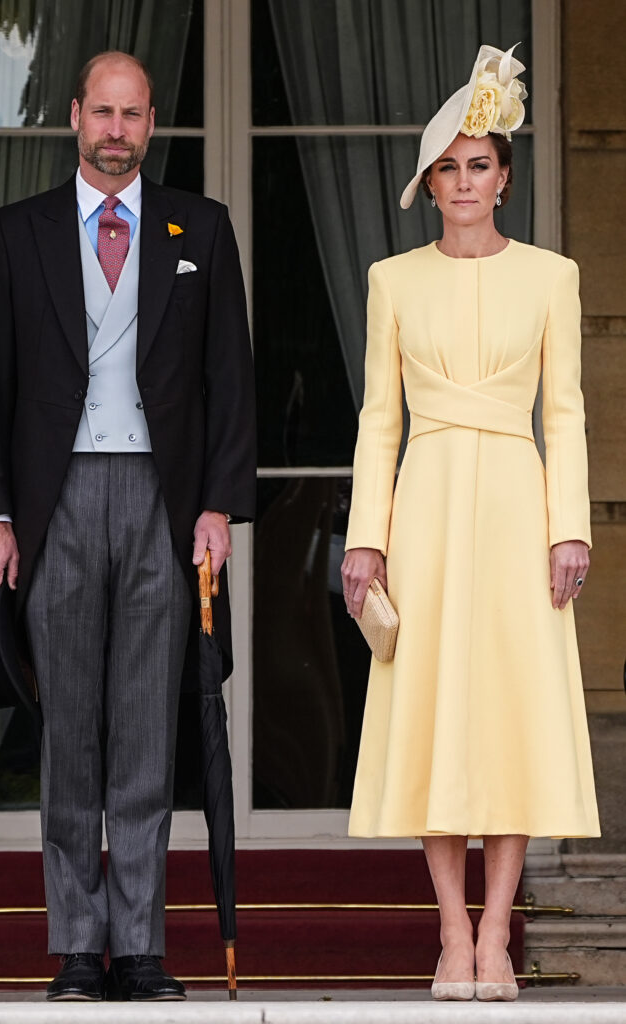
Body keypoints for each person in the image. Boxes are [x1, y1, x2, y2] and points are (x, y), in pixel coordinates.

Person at [0, 51, 255, 1002]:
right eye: (103, 112)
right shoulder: (19, 233)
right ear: (75, 117)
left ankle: (139, 946)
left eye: (133, 115)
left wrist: (216, 503)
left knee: (143, 731)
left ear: (152, 119)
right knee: (69, 737)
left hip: (161, 504)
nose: (118, 130)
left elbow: (229, 382)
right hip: (55, 505)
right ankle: (79, 948)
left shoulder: (199, 228)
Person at [341, 44, 599, 1003]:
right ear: (429, 180)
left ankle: (498, 934)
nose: (463, 181)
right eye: (446, 165)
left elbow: (566, 410)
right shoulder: (390, 280)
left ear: (503, 176)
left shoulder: (553, 276)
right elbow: (377, 420)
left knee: (511, 713)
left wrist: (568, 526)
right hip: (427, 504)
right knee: (434, 715)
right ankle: (451, 935)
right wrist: (366, 536)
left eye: (478, 163)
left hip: (517, 507)